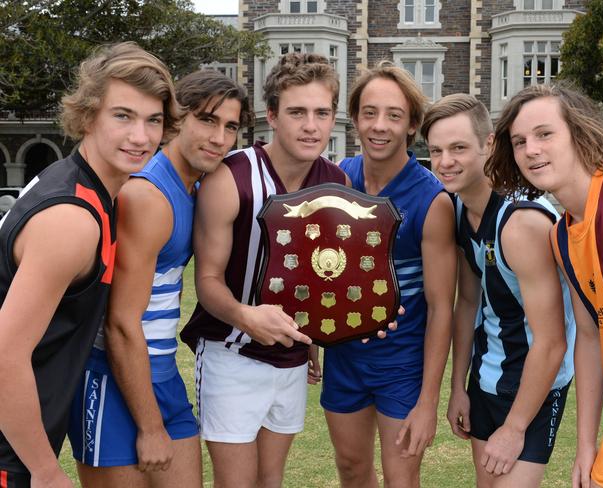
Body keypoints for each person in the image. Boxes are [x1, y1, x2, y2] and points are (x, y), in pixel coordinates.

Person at [0, 42, 178, 488]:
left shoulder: (86, 188)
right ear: (87, 116)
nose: (141, 136)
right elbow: (4, 355)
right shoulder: (73, 221)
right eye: (123, 116)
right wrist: (43, 470)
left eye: (152, 120)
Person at [67, 70, 250, 487]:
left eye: (230, 126)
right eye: (207, 120)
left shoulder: (194, 187)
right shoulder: (148, 195)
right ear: (176, 120)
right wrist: (150, 428)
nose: (219, 138)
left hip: (162, 373)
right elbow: (120, 323)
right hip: (112, 376)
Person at [179, 53, 347, 488]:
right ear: (272, 115)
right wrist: (248, 317)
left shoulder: (338, 185)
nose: (311, 126)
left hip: (290, 360)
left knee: (270, 481)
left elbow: (320, 277)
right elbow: (208, 281)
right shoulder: (231, 177)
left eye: (322, 113)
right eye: (297, 112)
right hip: (232, 353)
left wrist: (316, 336)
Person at [485, 83, 603, 488]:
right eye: (519, 141)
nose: (530, 150)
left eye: (545, 134)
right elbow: (590, 338)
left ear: (580, 133)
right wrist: (586, 446)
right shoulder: (562, 235)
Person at [423, 93, 575, 487]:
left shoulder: (521, 221)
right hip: (487, 379)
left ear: (489, 143)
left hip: (534, 386)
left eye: (458, 148)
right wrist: (458, 387)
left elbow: (553, 341)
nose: (445, 162)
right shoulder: (458, 207)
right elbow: (469, 300)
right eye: (435, 150)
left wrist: (515, 427)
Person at [318, 62, 455, 488]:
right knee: (352, 470)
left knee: (400, 477)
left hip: (401, 365)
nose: (380, 126)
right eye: (369, 112)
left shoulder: (432, 200)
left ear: (412, 124)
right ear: (355, 117)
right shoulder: (339, 179)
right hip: (344, 358)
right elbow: (324, 272)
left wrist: (429, 400)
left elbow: (440, 308)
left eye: (394, 115)